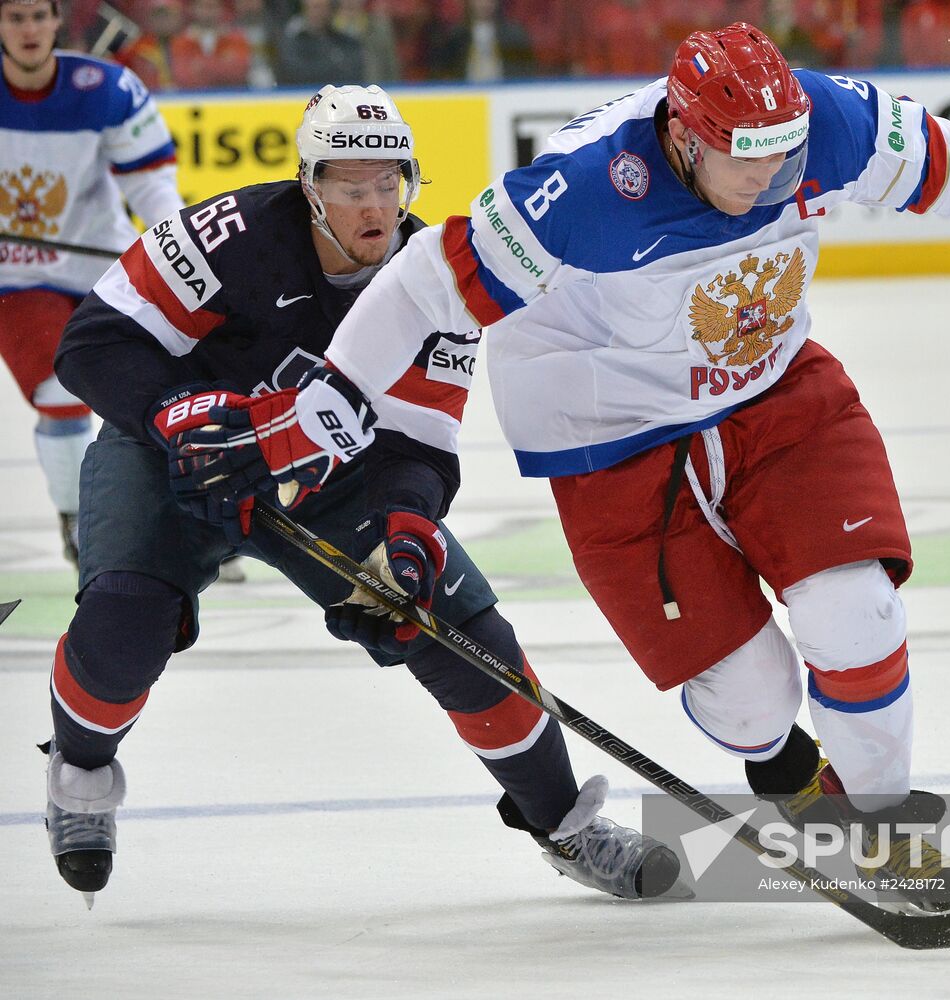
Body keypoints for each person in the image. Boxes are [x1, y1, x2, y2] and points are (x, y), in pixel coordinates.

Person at [180, 24, 950, 911]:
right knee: (751, 696)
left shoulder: (814, 125)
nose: (775, 179)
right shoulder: (580, 190)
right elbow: (418, 285)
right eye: (748, 161)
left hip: (770, 389)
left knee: (856, 616)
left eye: (786, 154)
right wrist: (336, 394)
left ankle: (876, 826)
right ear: (682, 137)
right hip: (610, 433)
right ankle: (786, 771)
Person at [41, 83, 682, 908]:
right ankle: (81, 778)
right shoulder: (226, 235)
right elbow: (94, 343)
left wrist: (407, 530)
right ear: (309, 185)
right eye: (351, 185)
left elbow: (418, 445)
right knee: (125, 615)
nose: (375, 204)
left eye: (390, 183)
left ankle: (563, 824)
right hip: (177, 457)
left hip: (329, 480)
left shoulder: (434, 284)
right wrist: (173, 414)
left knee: (458, 630)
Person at [0, 0, 182, 566]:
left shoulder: (107, 88)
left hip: (103, 271)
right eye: (14, 17)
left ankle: (194, 514)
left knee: (171, 386)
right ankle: (81, 519)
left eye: (38, 16)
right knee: (62, 394)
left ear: (57, 21)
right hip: (16, 279)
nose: (28, 29)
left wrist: (176, 253)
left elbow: (152, 183)